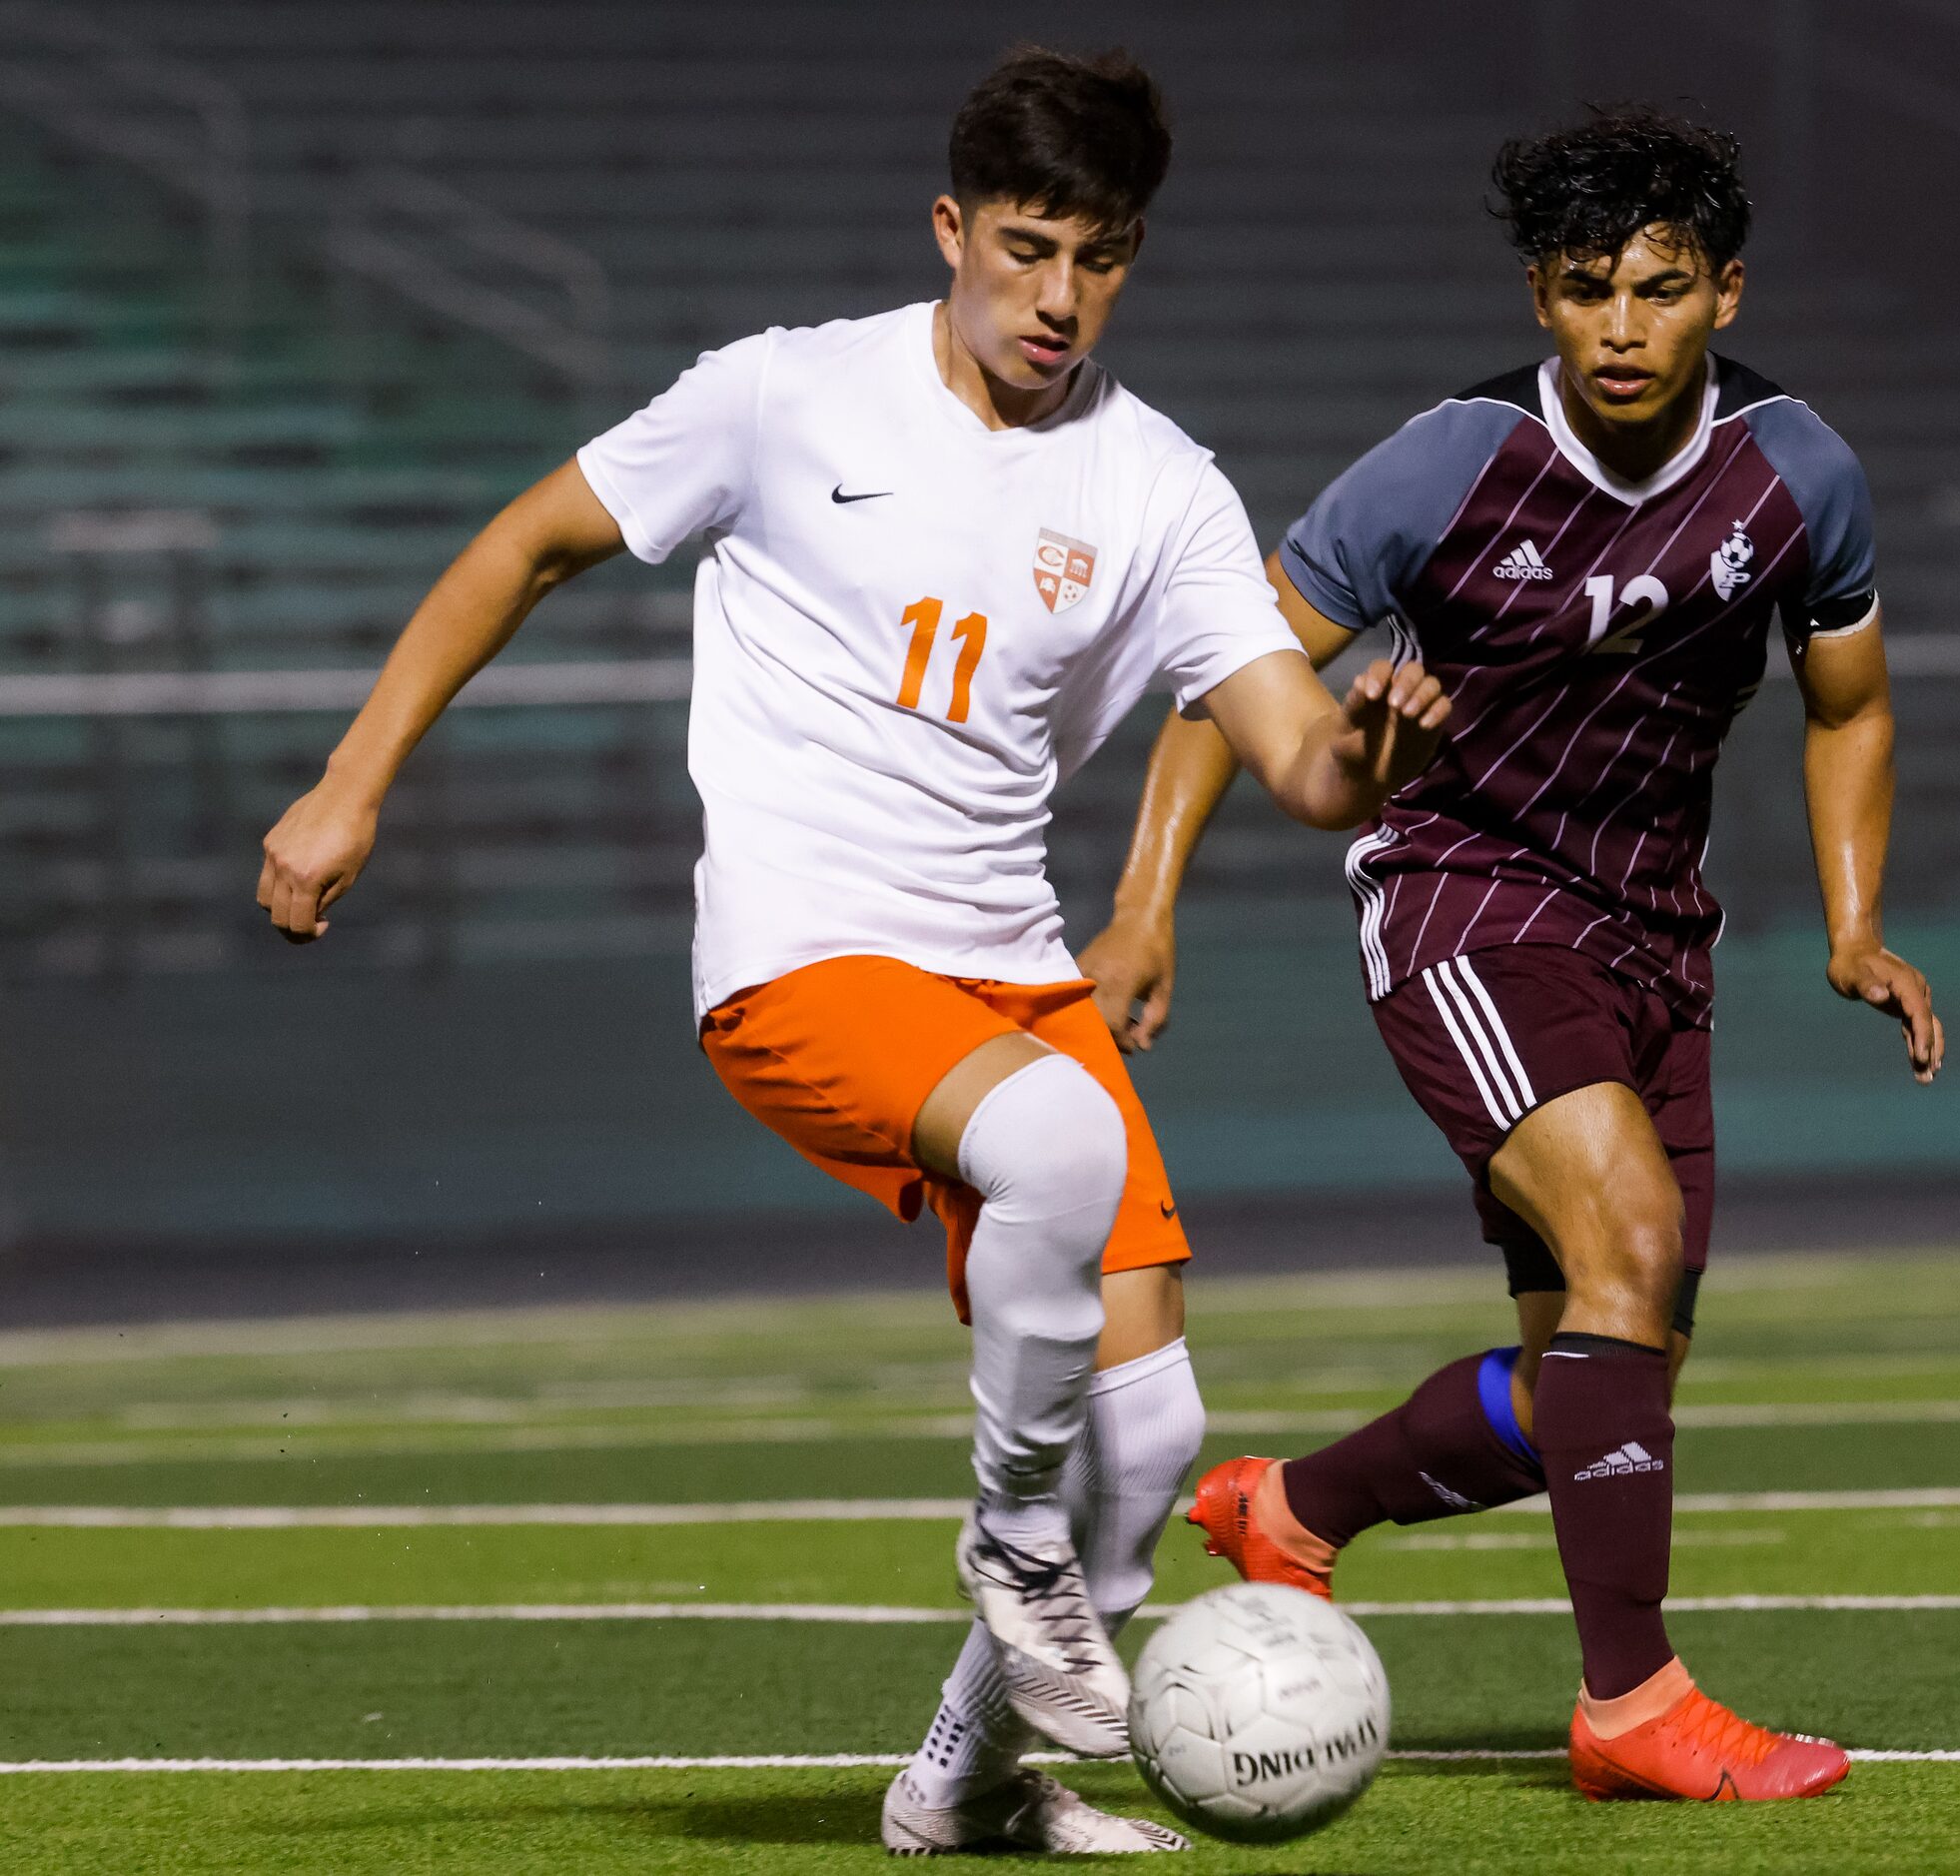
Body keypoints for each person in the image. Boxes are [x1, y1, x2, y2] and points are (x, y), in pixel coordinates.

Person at [256, 44, 1446, 1857]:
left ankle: (965, 1781)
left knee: (1153, 1436)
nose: (1061, 297)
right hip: (803, 955)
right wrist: (351, 781)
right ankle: (1009, 1545)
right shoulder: (784, 397)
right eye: (1030, 246)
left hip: (1009, 973)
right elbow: (531, 543)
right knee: (1057, 1145)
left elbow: (1295, 753)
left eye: (1104, 255)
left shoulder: (1157, 485)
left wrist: (1374, 750)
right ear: (953, 229)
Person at [1079, 106, 1942, 1804]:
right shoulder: (1447, 466)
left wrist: (1854, 921)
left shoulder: (1797, 471)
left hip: (1656, 931)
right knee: (1629, 1239)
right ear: (1540, 300)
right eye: (1584, 289)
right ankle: (1633, 1705)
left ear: (1724, 291)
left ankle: (1296, 1507)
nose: (1622, 327)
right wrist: (1144, 898)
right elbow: (1226, 671)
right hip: (1467, 896)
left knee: (1594, 1386)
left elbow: (1852, 704)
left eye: (1660, 289)